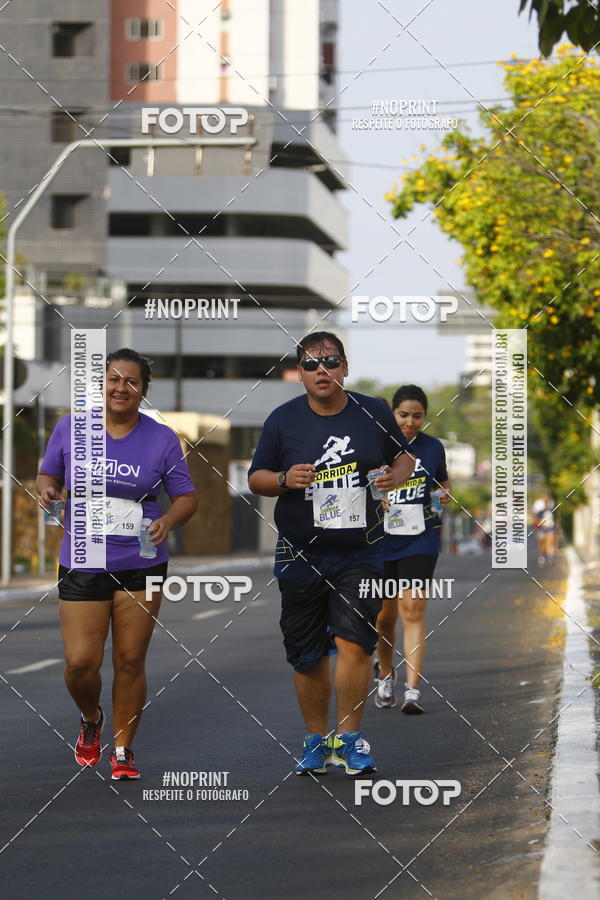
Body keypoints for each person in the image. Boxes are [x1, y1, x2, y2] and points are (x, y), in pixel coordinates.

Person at [248, 332, 415, 776]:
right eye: (310, 364)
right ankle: (316, 741)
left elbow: (405, 460)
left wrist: (391, 478)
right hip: (299, 551)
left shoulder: (373, 411)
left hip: (360, 550)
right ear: (299, 373)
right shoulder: (283, 420)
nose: (321, 370)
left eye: (331, 361)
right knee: (306, 653)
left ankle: (350, 738)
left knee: (355, 643)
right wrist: (285, 479)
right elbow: (256, 479)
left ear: (345, 367)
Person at [36, 349, 197, 780]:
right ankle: (91, 718)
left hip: (140, 560)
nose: (120, 387)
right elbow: (48, 476)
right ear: (101, 384)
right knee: (80, 663)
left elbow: (186, 497)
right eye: (112, 378)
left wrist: (166, 520)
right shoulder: (71, 428)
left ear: (144, 390)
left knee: (129, 659)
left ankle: (123, 749)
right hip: (83, 557)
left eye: (131, 381)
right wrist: (49, 492)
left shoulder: (162, 438)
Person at [374, 385, 450, 714]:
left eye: (417, 415)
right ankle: (385, 674)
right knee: (384, 616)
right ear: (392, 414)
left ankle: (412, 690)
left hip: (421, 536)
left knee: (414, 607)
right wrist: (377, 498)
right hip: (382, 538)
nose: (410, 421)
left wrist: (444, 494)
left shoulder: (433, 448)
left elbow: (442, 482)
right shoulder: (377, 445)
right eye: (403, 415)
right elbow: (362, 485)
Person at [534, 494, 556, 566]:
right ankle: (542, 557)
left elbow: (556, 520)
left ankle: (550, 558)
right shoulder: (540, 512)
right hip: (542, 529)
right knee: (542, 545)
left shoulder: (552, 511)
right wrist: (538, 529)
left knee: (550, 543)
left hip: (550, 529)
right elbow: (537, 521)